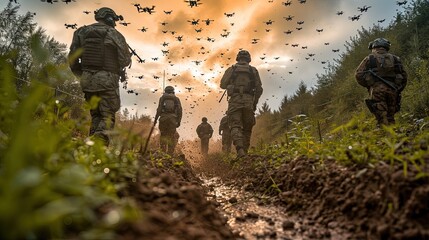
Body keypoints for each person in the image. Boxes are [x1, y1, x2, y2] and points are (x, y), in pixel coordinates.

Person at [69, 7, 131, 145]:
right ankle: (99, 143)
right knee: (107, 115)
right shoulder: (115, 34)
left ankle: (91, 147)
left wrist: (82, 75)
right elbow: (125, 60)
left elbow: (72, 59)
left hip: (87, 81)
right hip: (107, 80)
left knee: (96, 115)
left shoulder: (80, 32)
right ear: (109, 18)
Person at [355, 38, 407, 126]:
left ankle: (384, 136)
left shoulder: (369, 58)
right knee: (391, 117)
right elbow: (404, 77)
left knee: (381, 117)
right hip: (393, 90)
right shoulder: (396, 59)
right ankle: (395, 136)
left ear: (374, 47)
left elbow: (358, 75)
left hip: (377, 90)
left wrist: (369, 85)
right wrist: (398, 89)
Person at [220, 50, 263, 157]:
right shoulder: (253, 70)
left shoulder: (232, 69)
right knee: (247, 128)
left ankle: (240, 150)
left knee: (235, 125)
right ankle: (245, 153)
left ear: (238, 58)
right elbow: (259, 89)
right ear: (249, 59)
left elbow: (222, 84)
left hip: (235, 101)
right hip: (248, 101)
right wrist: (254, 103)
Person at [155, 86, 182, 154]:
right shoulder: (176, 99)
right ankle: (170, 153)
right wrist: (178, 121)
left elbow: (159, 109)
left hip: (163, 118)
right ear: (173, 91)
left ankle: (162, 152)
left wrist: (155, 119)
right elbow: (180, 111)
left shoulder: (162, 98)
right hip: (173, 119)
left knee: (163, 135)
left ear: (165, 91)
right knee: (172, 136)